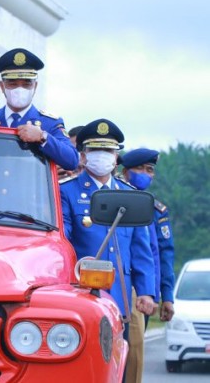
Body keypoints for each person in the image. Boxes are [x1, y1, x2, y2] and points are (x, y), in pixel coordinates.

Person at [60, 119, 156, 340]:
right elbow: (63, 243)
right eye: (95, 149)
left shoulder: (131, 194)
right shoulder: (66, 191)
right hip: (82, 294)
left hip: (120, 294)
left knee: (118, 365)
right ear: (83, 156)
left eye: (108, 150)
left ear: (115, 158)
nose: (102, 155)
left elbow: (141, 249)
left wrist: (145, 292)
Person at [120, 148, 175, 383]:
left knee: (134, 351)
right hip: (120, 285)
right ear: (125, 173)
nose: (145, 174)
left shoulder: (156, 209)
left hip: (144, 295)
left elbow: (164, 254)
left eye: (149, 170)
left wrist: (167, 296)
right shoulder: (114, 200)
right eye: (139, 169)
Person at [0, 48, 79, 172]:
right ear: (2, 86)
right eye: (12, 83)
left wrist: (42, 136)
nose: (19, 89)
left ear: (35, 86)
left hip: (31, 191)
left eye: (26, 84)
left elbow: (72, 161)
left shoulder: (49, 123)